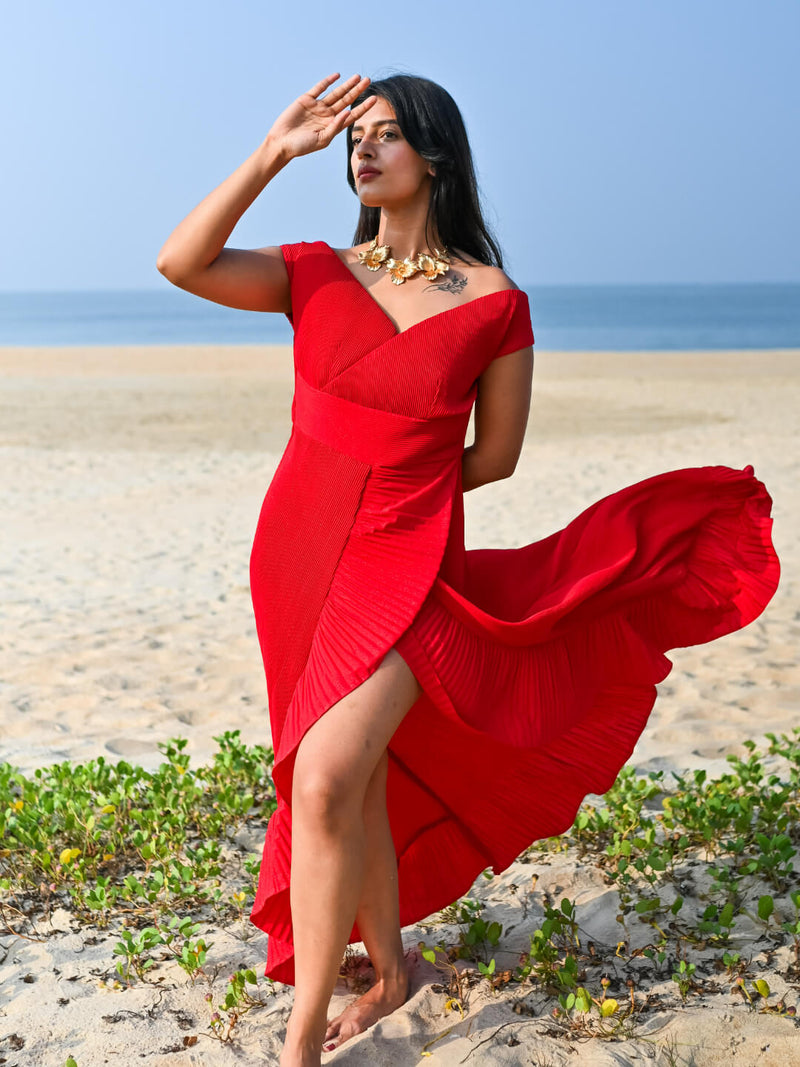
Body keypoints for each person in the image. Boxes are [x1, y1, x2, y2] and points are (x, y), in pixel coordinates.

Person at [156, 73, 780, 1067]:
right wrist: (274, 152)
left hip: (406, 558)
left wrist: (396, 483)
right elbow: (179, 260)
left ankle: (299, 1043)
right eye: (354, 138)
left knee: (323, 778)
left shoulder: (494, 303)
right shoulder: (315, 271)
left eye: (385, 135)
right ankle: (388, 971)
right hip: (295, 554)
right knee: (353, 780)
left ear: (435, 156)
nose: (362, 150)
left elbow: (495, 456)